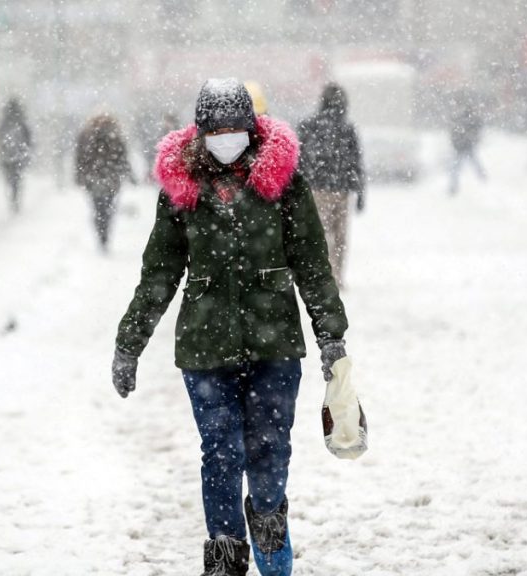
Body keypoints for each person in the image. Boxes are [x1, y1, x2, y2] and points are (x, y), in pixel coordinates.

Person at [112, 78, 350, 576]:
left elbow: (312, 264)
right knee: (220, 452)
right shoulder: (182, 192)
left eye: (234, 127)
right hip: (205, 347)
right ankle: (224, 556)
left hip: (275, 342)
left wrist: (331, 335)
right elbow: (159, 273)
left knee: (270, 446)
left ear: (251, 128)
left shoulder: (284, 183)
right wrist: (129, 344)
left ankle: (266, 514)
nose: (226, 137)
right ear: (200, 133)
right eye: (215, 129)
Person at [297, 82, 366, 288]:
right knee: (340, 237)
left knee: (320, 235)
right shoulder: (347, 129)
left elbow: (299, 160)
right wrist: (360, 191)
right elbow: (356, 162)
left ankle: (322, 276)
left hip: (316, 189)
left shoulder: (308, 125)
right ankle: (337, 277)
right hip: (342, 191)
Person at [75, 114, 133, 251]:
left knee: (97, 208)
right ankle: (104, 232)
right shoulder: (116, 135)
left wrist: (79, 175)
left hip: (93, 178)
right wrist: (129, 175)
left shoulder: (87, 135)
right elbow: (123, 158)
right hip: (111, 179)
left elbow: (80, 157)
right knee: (107, 208)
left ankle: (101, 232)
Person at [0, 97, 33, 213]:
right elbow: (28, 138)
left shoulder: (5, 120)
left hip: (7, 156)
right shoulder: (20, 120)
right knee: (16, 178)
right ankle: (15, 197)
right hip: (18, 156)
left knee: (11, 178)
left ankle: (13, 197)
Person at [448, 102, 486, 195]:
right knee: (474, 163)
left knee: (456, 167)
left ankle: (453, 186)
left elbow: (454, 133)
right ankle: (482, 177)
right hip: (466, 146)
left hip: (461, 147)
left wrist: (456, 143)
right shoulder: (472, 121)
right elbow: (479, 127)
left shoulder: (459, 120)